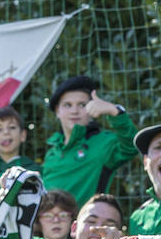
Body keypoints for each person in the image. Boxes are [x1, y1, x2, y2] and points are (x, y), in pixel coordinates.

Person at [40, 76, 138, 204]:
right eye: (67, 105)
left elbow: (132, 146)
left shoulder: (103, 144)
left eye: (82, 105)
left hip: (85, 222)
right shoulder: (51, 153)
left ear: (92, 109)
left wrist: (114, 111)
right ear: (57, 111)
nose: (74, 111)